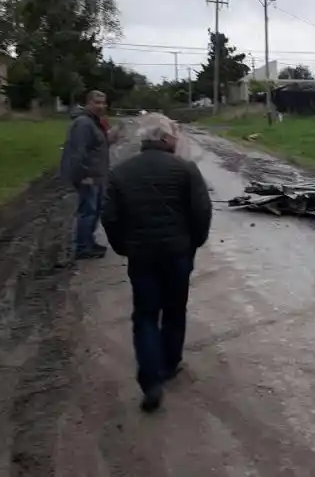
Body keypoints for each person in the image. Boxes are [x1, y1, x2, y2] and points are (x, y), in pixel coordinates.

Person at [101, 114, 212, 412]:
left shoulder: (121, 173)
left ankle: (151, 381)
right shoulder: (185, 170)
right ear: (163, 138)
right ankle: (169, 363)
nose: (176, 140)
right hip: (178, 254)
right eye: (174, 134)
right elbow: (202, 212)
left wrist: (123, 247)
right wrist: (193, 244)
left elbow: (109, 216)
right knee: (175, 310)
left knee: (146, 315)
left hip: (142, 257)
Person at [59, 90, 110, 260]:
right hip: (88, 176)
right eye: (97, 102)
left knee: (94, 211)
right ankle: (83, 247)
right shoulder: (83, 123)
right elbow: (77, 152)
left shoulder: (94, 122)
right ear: (88, 103)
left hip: (98, 175)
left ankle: (89, 242)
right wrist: (83, 175)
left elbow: (97, 145)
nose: (101, 106)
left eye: (103, 103)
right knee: (88, 211)